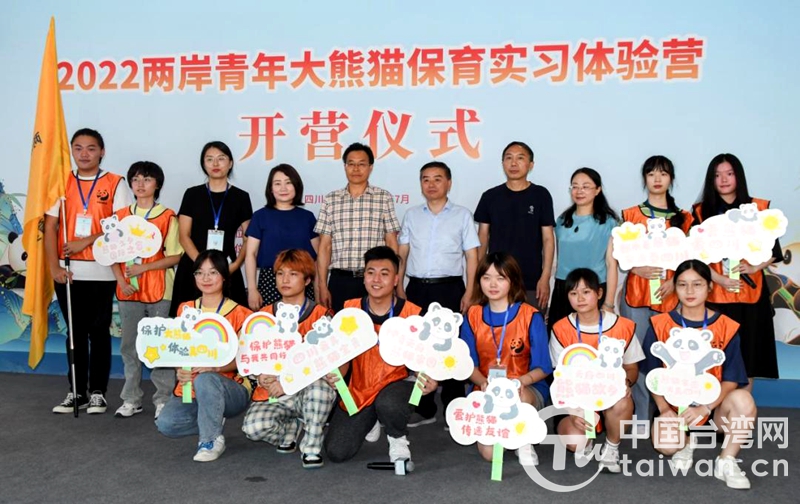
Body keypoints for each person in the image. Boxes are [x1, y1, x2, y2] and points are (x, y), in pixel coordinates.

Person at [641, 260, 756, 490]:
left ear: (709, 287)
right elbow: (653, 375)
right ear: (674, 287)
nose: (690, 291)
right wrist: (663, 409)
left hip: (713, 409)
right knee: (666, 445)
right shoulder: (660, 324)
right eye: (682, 284)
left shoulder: (726, 326)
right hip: (675, 409)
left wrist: (705, 407)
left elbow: (732, 379)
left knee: (744, 400)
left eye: (697, 284)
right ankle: (685, 442)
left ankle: (726, 461)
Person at [323, 246, 438, 464]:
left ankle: (397, 438)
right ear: (364, 277)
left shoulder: (413, 314)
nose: (376, 279)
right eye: (370, 272)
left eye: (384, 274)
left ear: (396, 280)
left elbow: (426, 358)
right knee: (337, 451)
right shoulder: (350, 311)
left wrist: (430, 377)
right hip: (361, 389)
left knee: (389, 402)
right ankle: (372, 418)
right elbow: (343, 357)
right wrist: (336, 373)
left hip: (398, 385)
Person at [46, 128, 132, 414]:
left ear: (102, 151)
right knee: (75, 333)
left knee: (99, 331)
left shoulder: (115, 183)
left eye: (91, 148)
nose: (84, 154)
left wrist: (86, 240)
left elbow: (121, 227)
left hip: (103, 270)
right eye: (78, 148)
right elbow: (50, 226)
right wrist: (54, 266)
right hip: (68, 271)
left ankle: (97, 392)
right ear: (72, 150)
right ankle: (76, 392)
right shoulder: (60, 182)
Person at [397, 161, 479, 427]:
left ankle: (454, 406)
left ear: (449, 183)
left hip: (450, 288)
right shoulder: (411, 215)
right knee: (418, 348)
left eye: (437, 179)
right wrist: (399, 284)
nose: (431, 184)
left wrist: (470, 290)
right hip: (417, 288)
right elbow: (403, 253)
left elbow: (472, 256)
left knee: (451, 347)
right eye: (426, 179)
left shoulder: (462, 215)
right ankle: (424, 408)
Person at [692, 153, 782, 388]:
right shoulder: (701, 212)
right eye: (717, 175)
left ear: (738, 176)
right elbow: (694, 255)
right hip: (715, 294)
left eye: (729, 174)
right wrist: (718, 278)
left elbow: (774, 250)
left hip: (751, 295)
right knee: (714, 356)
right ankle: (714, 409)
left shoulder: (758, 209)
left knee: (749, 356)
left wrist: (754, 267)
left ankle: (742, 409)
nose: (723, 180)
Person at [241, 249, 335, 469]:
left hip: (308, 391)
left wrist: (288, 380)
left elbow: (326, 361)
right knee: (253, 428)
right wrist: (259, 376)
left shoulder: (322, 316)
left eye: (293, 274)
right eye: (280, 273)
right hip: (273, 393)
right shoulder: (262, 316)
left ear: (307, 280)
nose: (285, 280)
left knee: (320, 390)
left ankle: (311, 445)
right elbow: (248, 357)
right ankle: (289, 429)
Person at [156, 250, 252, 462]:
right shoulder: (186, 309)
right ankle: (212, 418)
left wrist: (215, 368)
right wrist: (179, 370)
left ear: (224, 276)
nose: (205, 278)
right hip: (192, 387)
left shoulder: (241, 314)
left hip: (232, 388)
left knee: (206, 378)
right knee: (166, 424)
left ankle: (210, 440)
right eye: (200, 273)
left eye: (213, 272)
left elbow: (245, 359)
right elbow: (179, 348)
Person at [618, 155, 693, 429]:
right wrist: (635, 268)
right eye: (651, 174)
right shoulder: (630, 215)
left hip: (670, 297)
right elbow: (621, 253)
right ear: (645, 179)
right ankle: (639, 415)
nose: (657, 179)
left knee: (669, 357)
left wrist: (675, 281)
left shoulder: (684, 218)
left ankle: (669, 414)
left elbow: (690, 259)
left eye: (663, 173)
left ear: (671, 178)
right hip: (635, 296)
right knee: (636, 356)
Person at [460, 252, 552, 466]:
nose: (493, 284)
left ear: (513, 281)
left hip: (525, 388)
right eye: (486, 277)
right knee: (490, 454)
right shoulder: (472, 315)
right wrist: (483, 382)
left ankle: (524, 440)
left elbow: (544, 367)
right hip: (486, 388)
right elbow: (468, 364)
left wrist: (519, 382)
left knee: (518, 397)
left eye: (500, 278)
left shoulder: (530, 315)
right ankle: (505, 431)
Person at [549, 268, 643, 473]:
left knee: (622, 399)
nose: (580, 298)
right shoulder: (560, 329)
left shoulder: (622, 326)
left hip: (609, 394)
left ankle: (611, 447)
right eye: (573, 293)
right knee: (575, 442)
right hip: (576, 398)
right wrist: (572, 412)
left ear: (599, 293)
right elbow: (559, 377)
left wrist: (625, 383)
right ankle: (587, 440)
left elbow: (632, 368)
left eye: (586, 292)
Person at [111, 161, 183, 419]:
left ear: (158, 184)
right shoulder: (120, 216)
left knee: (159, 346)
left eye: (147, 179)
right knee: (129, 346)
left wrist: (144, 268)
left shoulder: (167, 216)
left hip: (160, 289)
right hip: (128, 290)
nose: (140, 184)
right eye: (136, 179)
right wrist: (121, 281)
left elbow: (175, 256)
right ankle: (131, 398)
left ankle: (163, 399)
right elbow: (111, 253)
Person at [315, 143, 401, 312]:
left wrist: (392, 282)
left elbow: (391, 242)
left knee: (376, 325)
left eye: (361, 164)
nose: (356, 169)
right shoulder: (331, 200)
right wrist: (322, 285)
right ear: (345, 166)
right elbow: (325, 247)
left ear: (370, 167)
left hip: (374, 281)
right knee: (339, 325)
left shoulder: (383, 198)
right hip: (340, 280)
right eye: (351, 164)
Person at [170, 141, 252, 315]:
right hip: (193, 267)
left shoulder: (241, 197)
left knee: (232, 320)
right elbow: (184, 235)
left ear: (230, 163)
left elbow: (248, 238)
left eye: (221, 158)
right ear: (203, 164)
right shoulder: (192, 194)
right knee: (187, 322)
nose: (215, 164)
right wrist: (202, 267)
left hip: (227, 268)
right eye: (209, 159)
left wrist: (236, 265)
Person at [474, 141, 555, 310]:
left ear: (530, 165)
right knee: (495, 325)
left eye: (520, 158)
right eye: (509, 158)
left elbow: (548, 239)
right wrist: (479, 277)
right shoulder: (490, 196)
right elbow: (482, 238)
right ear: (503, 163)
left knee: (531, 324)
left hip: (531, 281)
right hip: (496, 280)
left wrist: (545, 277)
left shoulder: (541, 195)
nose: (513, 163)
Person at [550, 168, 619, 334]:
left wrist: (609, 303)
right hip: (564, 288)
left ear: (597, 190)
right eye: (575, 186)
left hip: (594, 288)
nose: (579, 191)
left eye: (585, 186)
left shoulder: (609, 222)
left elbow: (611, 264)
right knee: (560, 336)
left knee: (593, 337)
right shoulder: (562, 220)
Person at [245, 164, 318, 310]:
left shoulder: (307, 217)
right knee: (271, 322)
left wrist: (318, 288)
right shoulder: (260, 216)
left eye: (288, 183)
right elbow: (250, 254)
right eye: (277, 183)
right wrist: (252, 289)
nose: (283, 188)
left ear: (296, 186)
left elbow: (316, 258)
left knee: (304, 321)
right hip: (270, 281)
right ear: (270, 189)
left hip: (302, 281)